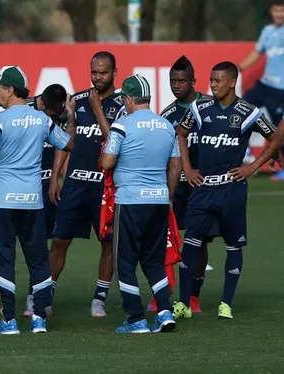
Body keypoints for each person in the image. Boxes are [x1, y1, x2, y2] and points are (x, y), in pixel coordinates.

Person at [173, 61, 282, 320]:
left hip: (232, 190)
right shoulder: (199, 108)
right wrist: (187, 169)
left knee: (233, 247)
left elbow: (275, 136)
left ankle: (225, 304)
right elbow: (180, 133)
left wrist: (253, 166)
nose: (212, 85)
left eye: (217, 80)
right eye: (210, 80)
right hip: (202, 188)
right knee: (190, 245)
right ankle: (183, 304)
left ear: (232, 82)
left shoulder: (247, 111)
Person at [0, 66, 75, 334]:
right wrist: (72, 119)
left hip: (3, 201)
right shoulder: (42, 120)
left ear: (9, 90)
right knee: (39, 260)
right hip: (32, 200)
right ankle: (39, 318)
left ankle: (8, 321)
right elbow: (66, 144)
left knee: (5, 260)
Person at [99, 74, 180, 333]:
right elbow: (175, 165)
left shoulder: (122, 125)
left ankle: (135, 319)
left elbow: (108, 162)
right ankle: (165, 312)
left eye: (124, 97)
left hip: (131, 200)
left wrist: (105, 156)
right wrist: (168, 196)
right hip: (158, 200)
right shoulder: (167, 125)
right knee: (154, 261)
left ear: (131, 99)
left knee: (125, 262)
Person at [48, 51, 124, 318]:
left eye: (103, 72)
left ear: (115, 72)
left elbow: (115, 142)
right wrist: (56, 177)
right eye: (94, 72)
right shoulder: (77, 100)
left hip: (105, 189)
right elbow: (65, 143)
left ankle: (100, 298)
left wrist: (97, 109)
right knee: (59, 240)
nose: (98, 77)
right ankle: (46, 295)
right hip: (75, 185)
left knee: (107, 243)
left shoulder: (123, 105)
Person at [148, 55, 217, 314]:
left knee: (199, 242)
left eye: (182, 80)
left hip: (205, 186)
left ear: (193, 81)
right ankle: (161, 295)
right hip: (176, 187)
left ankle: (194, 296)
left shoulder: (210, 106)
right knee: (165, 240)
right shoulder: (167, 114)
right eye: (173, 81)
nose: (177, 85)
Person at [239, 2, 284, 177]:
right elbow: (257, 53)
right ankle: (245, 152)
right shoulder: (267, 31)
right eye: (276, 10)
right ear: (271, 12)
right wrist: (240, 67)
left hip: (280, 90)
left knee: (278, 130)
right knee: (241, 108)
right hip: (264, 85)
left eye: (282, 10)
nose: (279, 14)